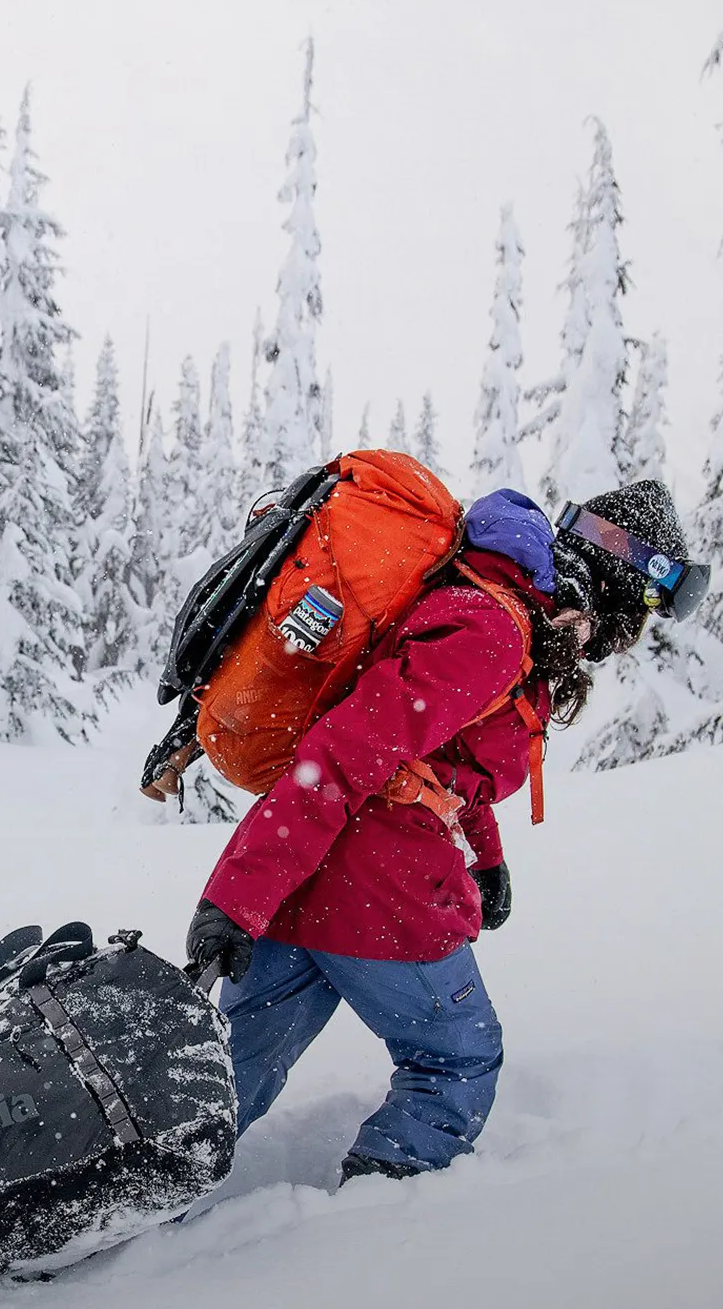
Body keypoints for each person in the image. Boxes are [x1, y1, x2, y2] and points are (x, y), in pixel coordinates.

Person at [185, 479, 709, 1183]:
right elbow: (344, 752)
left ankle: (124, 1192)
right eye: (642, 609)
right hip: (380, 891)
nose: (629, 636)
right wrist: (233, 897)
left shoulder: (498, 602)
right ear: (617, 582)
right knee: (456, 1061)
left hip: (305, 887)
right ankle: (368, 1235)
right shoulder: (495, 630)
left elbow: (437, 758)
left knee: (227, 1078)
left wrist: (487, 857)